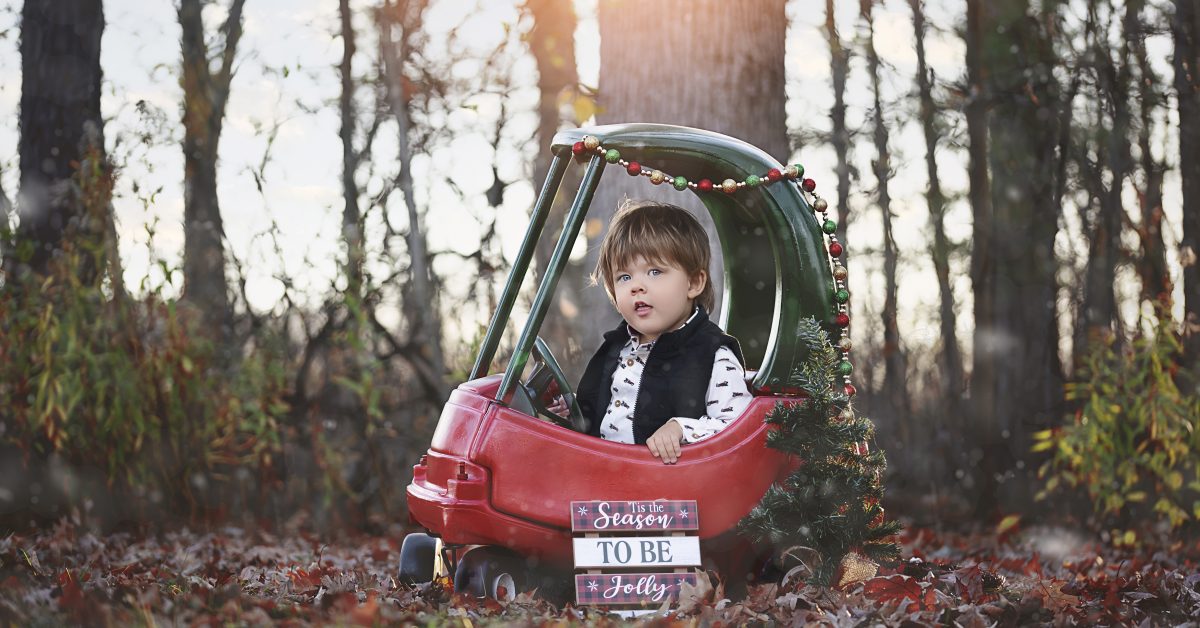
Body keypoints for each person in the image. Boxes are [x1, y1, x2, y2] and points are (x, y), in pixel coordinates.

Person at [548, 200, 753, 464]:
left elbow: (737, 427)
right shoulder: (617, 348)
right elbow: (604, 409)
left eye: (654, 272)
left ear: (693, 283)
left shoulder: (711, 354)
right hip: (606, 475)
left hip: (669, 490)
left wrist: (682, 428)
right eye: (624, 277)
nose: (637, 287)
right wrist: (573, 410)